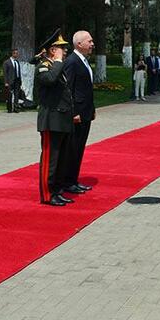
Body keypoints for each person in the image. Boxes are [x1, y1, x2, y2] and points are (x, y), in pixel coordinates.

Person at [35, 29, 74, 207]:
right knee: (50, 160)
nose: (65, 51)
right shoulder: (43, 66)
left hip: (62, 119)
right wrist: (57, 61)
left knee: (61, 160)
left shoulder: (58, 67)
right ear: (52, 50)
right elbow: (50, 80)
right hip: (51, 121)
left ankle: (57, 190)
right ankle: (47, 194)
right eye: (61, 48)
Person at [61, 30, 96, 197]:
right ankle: (68, 182)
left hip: (86, 112)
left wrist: (92, 108)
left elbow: (86, 89)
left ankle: (73, 180)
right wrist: (73, 112)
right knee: (73, 149)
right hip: (77, 114)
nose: (92, 44)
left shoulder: (84, 61)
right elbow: (68, 89)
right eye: (89, 41)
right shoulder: (72, 62)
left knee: (79, 148)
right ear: (79, 44)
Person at [3, 48, 22, 113]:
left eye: (17, 53)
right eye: (15, 53)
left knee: (17, 95)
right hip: (10, 81)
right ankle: (9, 108)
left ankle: (16, 108)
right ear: (12, 54)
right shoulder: (6, 62)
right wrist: (6, 82)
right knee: (9, 95)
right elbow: (5, 73)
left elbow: (18, 71)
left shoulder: (17, 62)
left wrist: (20, 80)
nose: (17, 54)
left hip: (17, 80)